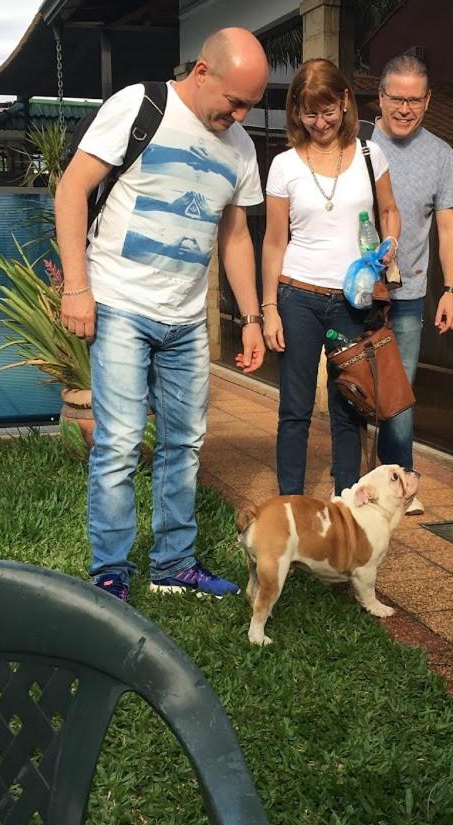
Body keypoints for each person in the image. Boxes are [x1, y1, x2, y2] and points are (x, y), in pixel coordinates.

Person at [55, 28, 268, 602]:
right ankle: (110, 573)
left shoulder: (241, 148)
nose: (240, 116)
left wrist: (250, 318)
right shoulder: (140, 105)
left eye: (250, 105)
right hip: (120, 304)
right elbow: (72, 190)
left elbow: (235, 237)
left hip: (187, 319)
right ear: (202, 72)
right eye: (235, 101)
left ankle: (173, 563)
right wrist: (77, 287)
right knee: (121, 443)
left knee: (185, 444)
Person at [261, 58, 400, 496]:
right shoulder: (283, 165)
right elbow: (273, 242)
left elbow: (389, 210)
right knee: (295, 408)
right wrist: (268, 308)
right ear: (296, 111)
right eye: (309, 113)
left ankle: (347, 506)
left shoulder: (370, 154)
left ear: (344, 102)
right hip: (297, 297)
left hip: (352, 300)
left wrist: (390, 241)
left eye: (327, 111)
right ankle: (290, 505)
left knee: (348, 408)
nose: (320, 123)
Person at [370, 54, 453, 515]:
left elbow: (449, 229)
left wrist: (451, 289)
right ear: (380, 97)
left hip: (408, 295)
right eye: (396, 98)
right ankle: (351, 479)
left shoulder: (441, 155)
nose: (404, 109)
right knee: (352, 388)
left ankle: (400, 480)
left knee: (400, 392)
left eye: (414, 100)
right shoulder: (356, 144)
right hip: (353, 292)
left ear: (428, 101)